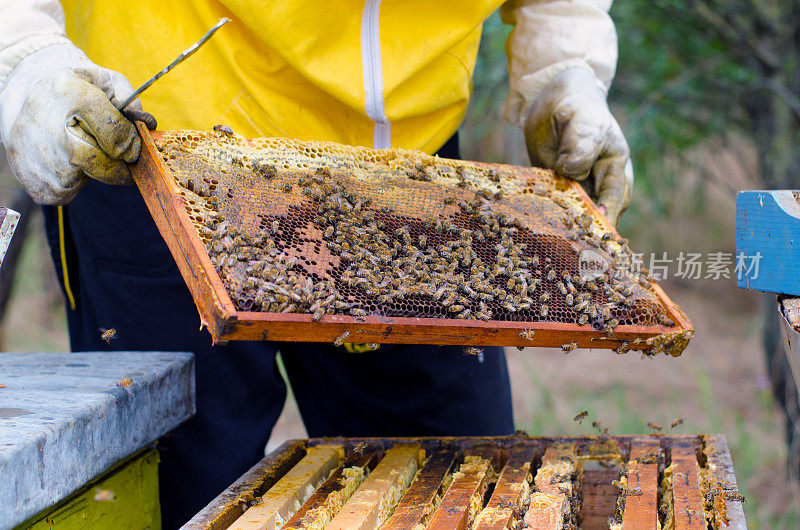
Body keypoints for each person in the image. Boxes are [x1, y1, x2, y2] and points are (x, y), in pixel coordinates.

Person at [0, 1, 632, 526]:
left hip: (410, 183)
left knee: (457, 485)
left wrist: (562, 63)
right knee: (181, 490)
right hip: (170, 153)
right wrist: (23, 55)